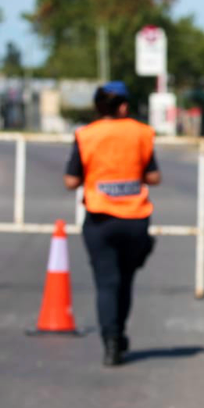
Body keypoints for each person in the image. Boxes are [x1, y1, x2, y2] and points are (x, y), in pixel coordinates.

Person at [63, 81, 159, 366]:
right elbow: (153, 177)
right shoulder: (141, 133)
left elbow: (71, 181)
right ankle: (120, 332)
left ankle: (111, 342)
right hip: (135, 219)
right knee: (125, 281)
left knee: (107, 284)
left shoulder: (86, 135)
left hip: (99, 220)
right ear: (124, 105)